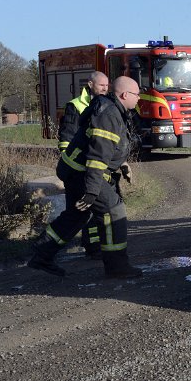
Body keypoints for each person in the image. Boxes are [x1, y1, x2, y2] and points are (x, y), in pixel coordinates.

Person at [28, 76, 143, 279]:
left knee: (77, 215)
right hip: (84, 173)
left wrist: (121, 164)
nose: (139, 98)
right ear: (125, 95)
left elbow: (107, 147)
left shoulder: (113, 110)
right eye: (136, 94)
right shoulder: (110, 114)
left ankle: (41, 254)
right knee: (113, 210)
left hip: (76, 171)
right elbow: (97, 156)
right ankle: (117, 267)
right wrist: (91, 190)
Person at [57, 71, 110, 259]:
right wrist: (69, 164)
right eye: (101, 85)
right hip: (77, 168)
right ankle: (46, 249)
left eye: (107, 85)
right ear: (90, 84)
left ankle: (94, 247)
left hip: (93, 166)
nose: (105, 88)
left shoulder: (106, 104)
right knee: (80, 212)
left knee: (94, 210)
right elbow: (67, 138)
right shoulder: (76, 105)